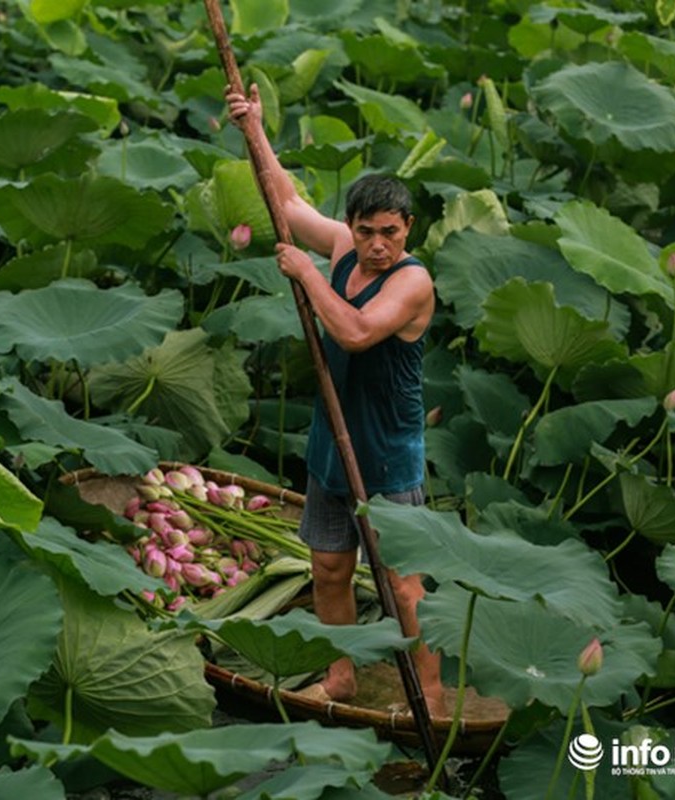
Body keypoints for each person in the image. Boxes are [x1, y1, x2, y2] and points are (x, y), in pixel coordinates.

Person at [226, 85, 443, 715]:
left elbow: (354, 331)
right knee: (328, 568)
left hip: (387, 449)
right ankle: (341, 673)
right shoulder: (346, 249)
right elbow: (288, 202)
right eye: (367, 231)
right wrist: (257, 129)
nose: (378, 244)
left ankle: (428, 690)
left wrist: (308, 274)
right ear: (352, 227)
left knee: (403, 587)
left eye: (391, 233)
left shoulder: (413, 281)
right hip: (332, 435)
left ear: (408, 230)